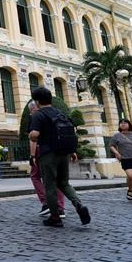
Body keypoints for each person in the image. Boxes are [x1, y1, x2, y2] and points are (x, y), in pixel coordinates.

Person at [29, 87, 91, 227]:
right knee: (64, 183)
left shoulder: (38, 115)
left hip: (48, 154)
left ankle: (55, 217)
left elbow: (34, 135)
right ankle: (78, 205)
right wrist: (73, 151)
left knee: (50, 185)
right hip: (64, 153)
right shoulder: (60, 113)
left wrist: (31, 136)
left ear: (37, 101)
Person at [27, 100, 66, 217]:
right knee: (57, 179)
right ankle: (60, 207)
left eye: (30, 111)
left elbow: (33, 138)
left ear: (34, 107)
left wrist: (32, 155)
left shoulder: (36, 117)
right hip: (59, 149)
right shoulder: (57, 113)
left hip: (43, 150)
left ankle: (46, 203)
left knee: (35, 176)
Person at [109, 118, 132, 203]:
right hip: (126, 159)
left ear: (129, 124)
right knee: (131, 176)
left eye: (125, 123)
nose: (123, 124)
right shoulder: (116, 136)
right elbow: (111, 145)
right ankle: (130, 189)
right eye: (121, 123)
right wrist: (116, 153)